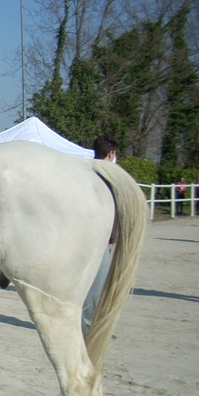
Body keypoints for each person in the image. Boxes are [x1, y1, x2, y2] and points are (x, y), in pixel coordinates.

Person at [82, 135, 118, 335]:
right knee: (95, 289)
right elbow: (111, 210)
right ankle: (90, 330)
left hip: (84, 236)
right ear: (111, 153)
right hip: (100, 239)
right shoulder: (109, 177)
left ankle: (90, 326)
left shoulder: (84, 172)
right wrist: (112, 238)